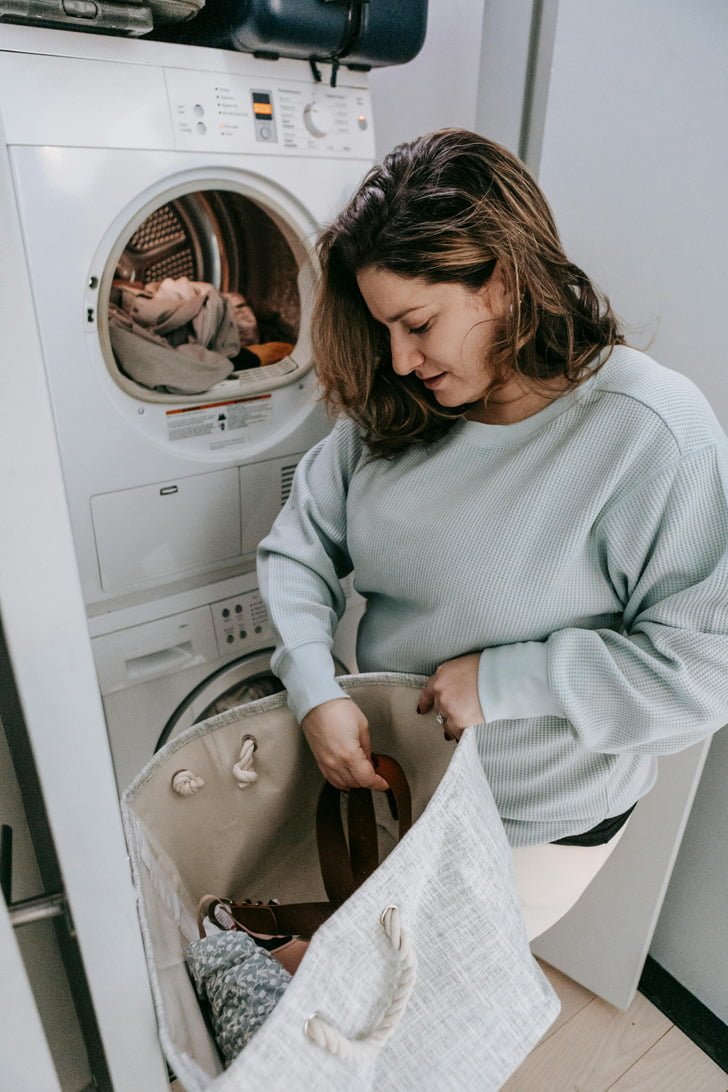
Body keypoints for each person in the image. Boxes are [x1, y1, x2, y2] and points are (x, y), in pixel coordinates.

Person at [257, 128, 728, 938]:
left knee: (402, 1024)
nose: (400, 361)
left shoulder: (653, 435)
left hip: (534, 821)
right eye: (384, 331)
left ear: (502, 284)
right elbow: (297, 549)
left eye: (418, 324)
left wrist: (509, 680)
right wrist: (313, 686)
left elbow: (703, 673)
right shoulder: (397, 409)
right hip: (401, 786)